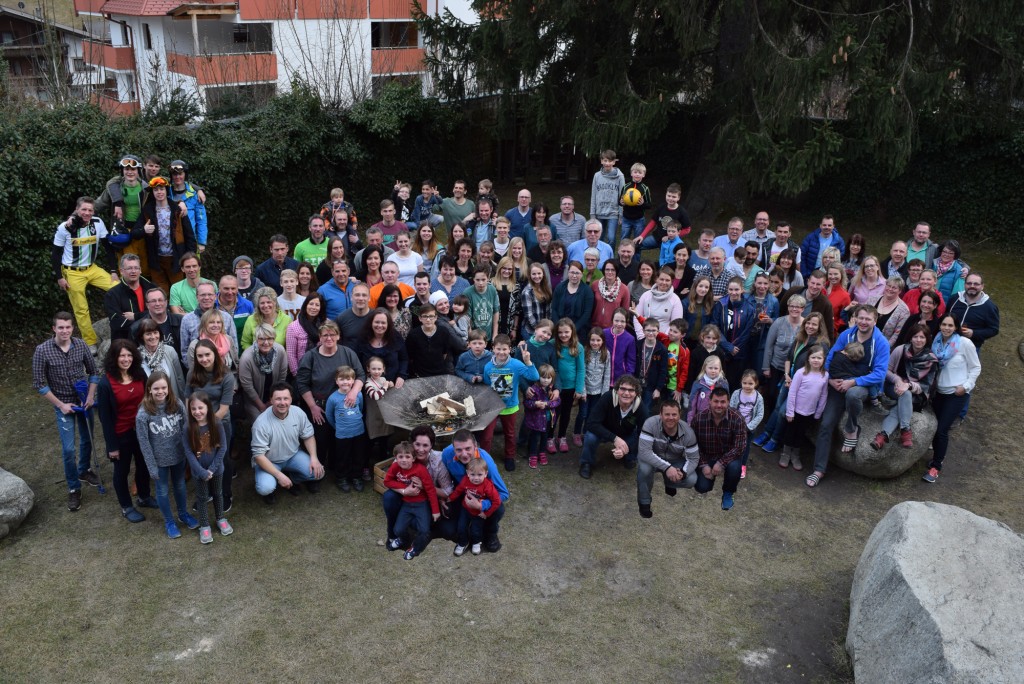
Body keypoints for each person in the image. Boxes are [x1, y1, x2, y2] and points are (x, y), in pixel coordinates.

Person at [806, 305, 889, 488]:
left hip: (862, 386)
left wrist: (854, 382)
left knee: (852, 394)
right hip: (838, 384)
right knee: (826, 424)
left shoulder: (881, 343)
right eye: (861, 318)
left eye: (868, 319)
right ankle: (819, 469)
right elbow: (830, 358)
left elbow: (880, 374)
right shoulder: (847, 335)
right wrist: (829, 379)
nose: (864, 322)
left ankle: (852, 428)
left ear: (875, 321)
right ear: (856, 318)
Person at [33, 312, 102, 511]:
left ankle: (84, 470)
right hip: (63, 404)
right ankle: (74, 488)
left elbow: (94, 373)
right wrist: (60, 405)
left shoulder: (80, 345)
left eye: (68, 327)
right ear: (54, 328)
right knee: (69, 448)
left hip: (83, 400)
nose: (65, 331)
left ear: (73, 328)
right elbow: (39, 384)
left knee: (88, 438)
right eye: (61, 327)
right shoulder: (42, 350)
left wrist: (90, 396)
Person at [296, 321, 364, 478]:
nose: (329, 338)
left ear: (338, 336)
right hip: (319, 406)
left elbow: (360, 374)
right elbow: (302, 383)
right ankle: (316, 473)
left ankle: (338, 469)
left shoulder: (347, 353)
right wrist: (312, 406)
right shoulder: (310, 356)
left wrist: (353, 392)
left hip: (344, 404)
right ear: (319, 337)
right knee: (320, 440)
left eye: (332, 334)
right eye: (325, 335)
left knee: (339, 439)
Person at [52, 197, 119, 353]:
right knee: (81, 309)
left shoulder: (97, 223)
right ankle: (90, 342)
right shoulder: (65, 227)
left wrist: (114, 271)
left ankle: (125, 325)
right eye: (84, 209)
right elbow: (55, 254)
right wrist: (59, 277)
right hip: (72, 272)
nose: (87, 213)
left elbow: (108, 248)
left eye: (90, 210)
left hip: (92, 268)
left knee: (120, 288)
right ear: (77, 209)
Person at [136, 371, 199, 538]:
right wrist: (151, 467)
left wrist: (191, 452)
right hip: (159, 461)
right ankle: (169, 521)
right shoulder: (143, 414)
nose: (160, 391)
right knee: (162, 491)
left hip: (179, 456)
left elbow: (187, 428)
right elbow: (144, 443)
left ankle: (183, 513)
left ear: (168, 388)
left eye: (164, 387)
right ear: (149, 389)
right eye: (156, 388)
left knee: (179, 485)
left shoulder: (177, 404)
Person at [96, 339, 152, 522]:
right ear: (114, 357)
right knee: (122, 470)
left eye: (129, 355)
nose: (126, 359)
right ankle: (126, 506)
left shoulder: (140, 374)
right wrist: (112, 446)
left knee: (144, 465)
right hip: (120, 434)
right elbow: (104, 417)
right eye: (122, 355)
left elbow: (148, 400)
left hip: (141, 430)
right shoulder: (105, 384)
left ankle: (144, 496)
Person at [923, 315, 981, 483]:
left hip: (956, 394)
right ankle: (936, 458)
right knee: (935, 428)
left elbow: (976, 367)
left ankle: (936, 467)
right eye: (943, 324)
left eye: (950, 325)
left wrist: (966, 386)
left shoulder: (964, 344)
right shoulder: (935, 342)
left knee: (942, 430)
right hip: (938, 392)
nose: (946, 328)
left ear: (956, 327)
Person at [251, 383, 325, 503]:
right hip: (270, 461)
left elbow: (308, 436)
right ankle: (275, 481)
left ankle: (292, 479)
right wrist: (279, 475)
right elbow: (259, 456)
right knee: (265, 488)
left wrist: (314, 458)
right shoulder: (260, 424)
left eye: (286, 398)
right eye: (278, 399)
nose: (282, 402)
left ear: (291, 399)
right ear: (271, 400)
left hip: (293, 455)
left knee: (319, 473)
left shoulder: (298, 412)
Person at [185, 338, 237, 509]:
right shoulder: (192, 372)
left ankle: (225, 494)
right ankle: (205, 493)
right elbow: (188, 399)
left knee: (222, 459)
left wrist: (207, 426)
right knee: (202, 458)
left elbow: (224, 407)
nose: (204, 359)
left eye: (207, 354)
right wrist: (194, 423)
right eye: (200, 356)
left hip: (219, 424)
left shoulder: (227, 376)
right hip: (196, 425)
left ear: (215, 354)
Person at [440, 430, 510, 552]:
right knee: (449, 520)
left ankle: (490, 533)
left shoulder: (487, 463)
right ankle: (465, 533)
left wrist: (482, 504)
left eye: (468, 449)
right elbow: (445, 478)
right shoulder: (446, 454)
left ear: (475, 446)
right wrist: (442, 497)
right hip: (461, 491)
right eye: (459, 450)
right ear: (453, 448)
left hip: (482, 496)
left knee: (498, 509)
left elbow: (504, 493)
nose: (464, 454)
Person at [873, 325, 938, 450]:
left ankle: (883, 435)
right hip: (893, 387)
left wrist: (908, 385)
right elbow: (886, 370)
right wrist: (897, 380)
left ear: (927, 339)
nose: (918, 340)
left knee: (903, 399)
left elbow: (926, 385)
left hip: (916, 393)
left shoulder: (931, 359)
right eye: (915, 336)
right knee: (905, 394)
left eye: (922, 337)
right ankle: (905, 430)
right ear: (911, 338)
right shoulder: (900, 350)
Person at [480, 335, 540, 471]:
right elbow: (487, 385)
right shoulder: (488, 367)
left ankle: (509, 457)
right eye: (498, 349)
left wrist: (528, 361)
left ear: (510, 349)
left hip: (510, 407)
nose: (501, 352)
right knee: (487, 436)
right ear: (493, 349)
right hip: (493, 407)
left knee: (510, 434)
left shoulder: (516, 365)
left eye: (505, 349)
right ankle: (484, 460)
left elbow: (534, 377)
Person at [182, 391, 232, 544]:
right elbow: (188, 452)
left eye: (200, 408)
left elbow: (222, 448)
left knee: (218, 493)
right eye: (193, 409)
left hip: (216, 470)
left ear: (208, 408)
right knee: (202, 498)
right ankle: (204, 525)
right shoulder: (188, 428)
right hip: (199, 473)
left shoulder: (216, 424)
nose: (197, 412)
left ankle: (220, 518)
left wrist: (211, 469)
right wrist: (201, 472)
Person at [635, 399, 698, 518]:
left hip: (674, 459)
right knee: (644, 470)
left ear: (680, 415)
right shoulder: (650, 423)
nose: (670, 417)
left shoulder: (689, 432)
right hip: (651, 458)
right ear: (660, 414)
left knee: (692, 479)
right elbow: (644, 452)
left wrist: (683, 473)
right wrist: (667, 467)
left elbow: (694, 458)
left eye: (674, 414)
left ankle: (670, 483)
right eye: (667, 414)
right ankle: (644, 502)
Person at [578, 374, 649, 479]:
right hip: (604, 431)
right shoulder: (607, 397)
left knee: (637, 438)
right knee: (590, 436)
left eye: (631, 390)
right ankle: (586, 463)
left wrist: (626, 448)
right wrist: (614, 439)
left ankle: (630, 456)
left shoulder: (641, 408)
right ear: (616, 390)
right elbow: (591, 423)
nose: (626, 393)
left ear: (636, 393)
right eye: (623, 389)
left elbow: (643, 434)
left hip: (626, 434)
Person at [137, 178, 198, 296]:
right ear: (152, 193)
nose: (159, 192)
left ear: (166, 190)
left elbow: (189, 236)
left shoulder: (178, 209)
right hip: (156, 259)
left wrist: (191, 257)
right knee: (160, 294)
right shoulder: (147, 210)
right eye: (156, 190)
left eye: (161, 189)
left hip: (176, 259)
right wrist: (143, 230)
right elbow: (135, 232)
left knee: (180, 292)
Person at [383, 442, 440, 560]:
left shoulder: (421, 470)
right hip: (407, 503)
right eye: (400, 457)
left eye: (407, 457)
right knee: (397, 529)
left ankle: (415, 549)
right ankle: (403, 540)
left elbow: (430, 490)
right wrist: (404, 489)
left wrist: (435, 510)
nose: (404, 460)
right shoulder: (395, 467)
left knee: (424, 530)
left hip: (421, 504)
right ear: (396, 458)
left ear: (413, 458)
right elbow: (387, 481)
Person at [691, 387, 745, 510]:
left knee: (735, 468)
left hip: (729, 456)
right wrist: (704, 465)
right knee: (702, 487)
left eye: (723, 402)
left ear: (728, 402)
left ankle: (728, 493)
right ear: (709, 401)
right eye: (716, 401)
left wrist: (721, 463)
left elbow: (740, 446)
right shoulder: (698, 419)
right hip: (708, 455)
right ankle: (709, 476)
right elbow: (693, 445)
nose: (719, 405)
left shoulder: (737, 418)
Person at [780, 345, 828, 471]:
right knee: (790, 432)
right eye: (813, 357)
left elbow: (823, 395)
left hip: (809, 412)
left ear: (824, 359)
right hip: (795, 411)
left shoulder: (825, 375)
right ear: (808, 359)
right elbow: (792, 392)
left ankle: (795, 455)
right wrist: (790, 412)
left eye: (819, 358)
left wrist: (818, 413)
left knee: (801, 434)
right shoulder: (800, 373)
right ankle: (785, 453)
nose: (816, 360)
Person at [324, 366, 367, 491]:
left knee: (358, 456)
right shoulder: (333, 398)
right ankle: (341, 478)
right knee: (342, 457)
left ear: (353, 380)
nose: (345, 382)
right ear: (336, 381)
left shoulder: (358, 395)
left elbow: (361, 408)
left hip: (359, 432)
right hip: (342, 434)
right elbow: (329, 415)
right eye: (341, 379)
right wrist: (338, 427)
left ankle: (357, 477)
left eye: (348, 379)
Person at [712, 277, 757, 390]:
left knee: (734, 381)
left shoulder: (749, 308)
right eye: (731, 289)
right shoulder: (721, 305)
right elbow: (715, 326)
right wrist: (727, 346)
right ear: (727, 289)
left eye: (736, 289)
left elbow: (747, 332)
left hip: (739, 352)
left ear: (742, 290)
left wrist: (734, 348)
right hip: (721, 349)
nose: (733, 293)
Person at [238, 324, 288, 423]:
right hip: (254, 401)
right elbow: (247, 386)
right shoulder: (246, 358)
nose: (266, 343)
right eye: (262, 339)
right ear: (256, 340)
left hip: (274, 396)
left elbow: (282, 377)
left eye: (270, 339)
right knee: (260, 424)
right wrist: (261, 406)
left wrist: (272, 401)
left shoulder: (281, 351)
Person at [105, 254, 157, 341]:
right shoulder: (112, 295)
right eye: (129, 268)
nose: (133, 271)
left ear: (140, 270)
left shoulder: (152, 288)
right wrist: (149, 317)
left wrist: (136, 316)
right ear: (121, 271)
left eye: (136, 268)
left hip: (153, 338)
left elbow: (163, 312)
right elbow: (117, 324)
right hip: (126, 342)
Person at [406, 303, 466, 377]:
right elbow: (410, 357)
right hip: (419, 374)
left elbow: (445, 353)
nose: (428, 319)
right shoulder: (413, 334)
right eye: (425, 316)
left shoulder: (443, 332)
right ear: (420, 318)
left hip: (440, 372)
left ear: (436, 317)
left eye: (431, 316)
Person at [946, 272, 1000, 352]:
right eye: (969, 283)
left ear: (982, 286)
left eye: (976, 284)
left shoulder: (989, 307)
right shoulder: (954, 299)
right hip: (948, 342)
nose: (972, 286)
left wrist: (974, 333)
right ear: (965, 285)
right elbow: (945, 316)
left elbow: (993, 329)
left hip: (971, 348)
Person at [355, 308, 409, 387]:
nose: (380, 325)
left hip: (394, 385)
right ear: (371, 322)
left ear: (388, 324)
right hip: (370, 386)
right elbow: (357, 363)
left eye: (383, 323)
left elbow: (404, 359)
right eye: (377, 322)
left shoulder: (396, 337)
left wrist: (401, 375)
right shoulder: (363, 338)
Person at [136, 317, 187, 397]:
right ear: (141, 336)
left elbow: (179, 378)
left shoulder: (170, 351)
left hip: (171, 400)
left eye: (155, 332)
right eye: (148, 334)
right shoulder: (136, 356)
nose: (153, 337)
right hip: (149, 403)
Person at [778, 270, 835, 340]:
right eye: (812, 283)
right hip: (785, 333)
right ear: (808, 282)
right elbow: (780, 311)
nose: (814, 286)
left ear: (824, 285)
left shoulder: (826, 304)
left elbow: (829, 330)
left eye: (818, 284)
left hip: (807, 340)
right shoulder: (793, 291)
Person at [523, 365, 560, 469]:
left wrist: (547, 404)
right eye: (543, 377)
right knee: (534, 438)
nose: (546, 380)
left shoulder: (552, 389)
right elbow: (526, 402)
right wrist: (535, 404)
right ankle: (533, 455)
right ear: (538, 376)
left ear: (552, 378)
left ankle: (542, 452)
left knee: (545, 437)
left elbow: (557, 401)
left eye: (548, 378)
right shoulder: (534, 389)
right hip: (535, 421)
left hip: (548, 420)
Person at [168, 160, 209, 254]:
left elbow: (201, 220)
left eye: (180, 174)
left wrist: (202, 242)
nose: (177, 177)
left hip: (191, 239)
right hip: (171, 240)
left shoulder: (195, 195)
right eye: (174, 174)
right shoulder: (165, 193)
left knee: (192, 267)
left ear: (185, 174)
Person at [185, 307, 239, 373]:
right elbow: (194, 371)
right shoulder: (195, 345)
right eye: (211, 322)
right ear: (204, 324)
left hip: (230, 378)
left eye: (218, 322)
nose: (216, 325)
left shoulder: (228, 339)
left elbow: (236, 361)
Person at [285, 293, 326, 377]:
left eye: (317, 305)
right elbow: (291, 354)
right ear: (305, 305)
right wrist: (297, 375)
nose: (313, 307)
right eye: (311, 304)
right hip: (302, 372)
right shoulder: (293, 327)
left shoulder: (326, 324)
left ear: (321, 308)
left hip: (324, 370)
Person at [636, 318, 668, 407]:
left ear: (658, 331)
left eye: (654, 330)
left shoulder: (662, 349)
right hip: (636, 383)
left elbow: (663, 371)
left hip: (651, 386)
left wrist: (658, 389)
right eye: (648, 330)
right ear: (643, 331)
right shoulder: (637, 345)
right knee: (633, 408)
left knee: (646, 410)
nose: (651, 333)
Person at [591, 259, 631, 330]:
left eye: (613, 270)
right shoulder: (595, 285)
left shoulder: (624, 289)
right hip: (595, 327)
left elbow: (625, 312)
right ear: (604, 271)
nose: (610, 272)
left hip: (614, 329)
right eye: (607, 269)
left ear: (616, 271)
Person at [872, 276, 912, 347]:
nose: (890, 289)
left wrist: (885, 347)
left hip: (883, 346)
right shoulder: (872, 299)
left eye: (894, 288)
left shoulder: (904, 310)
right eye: (889, 286)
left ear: (900, 291)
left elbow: (897, 335)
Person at [687, 354, 729, 422]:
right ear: (705, 368)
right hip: (701, 418)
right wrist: (690, 422)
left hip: (718, 418)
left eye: (716, 368)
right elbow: (692, 404)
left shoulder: (723, 383)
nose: (713, 371)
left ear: (720, 369)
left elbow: (727, 403)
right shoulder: (698, 383)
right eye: (710, 368)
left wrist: (726, 420)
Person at [619, 162, 652, 241]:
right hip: (626, 218)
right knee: (624, 240)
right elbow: (620, 200)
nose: (637, 174)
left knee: (637, 242)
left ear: (643, 175)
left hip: (639, 220)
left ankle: (636, 253)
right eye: (635, 172)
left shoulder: (645, 188)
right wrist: (621, 202)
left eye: (640, 173)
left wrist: (642, 204)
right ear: (631, 173)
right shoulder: (626, 186)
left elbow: (649, 205)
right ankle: (622, 253)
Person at [519, 263, 553, 340]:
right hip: (531, 331)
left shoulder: (546, 288)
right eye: (534, 274)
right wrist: (539, 330)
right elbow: (529, 315)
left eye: (539, 273)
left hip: (545, 330)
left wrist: (547, 328)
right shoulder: (527, 292)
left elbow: (549, 310)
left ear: (543, 274)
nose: (537, 276)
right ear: (529, 275)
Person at [604, 308, 636, 387]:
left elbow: (631, 362)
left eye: (622, 321)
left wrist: (628, 379)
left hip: (620, 380)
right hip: (603, 378)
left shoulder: (630, 339)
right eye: (616, 320)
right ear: (612, 320)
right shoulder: (604, 333)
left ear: (626, 322)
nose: (619, 324)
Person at [216, 274, 254, 339]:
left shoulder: (247, 305)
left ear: (237, 289)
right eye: (226, 289)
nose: (230, 292)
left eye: (233, 288)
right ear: (219, 289)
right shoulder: (212, 305)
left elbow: (253, 329)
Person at [491, 258, 522, 340]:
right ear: (500, 268)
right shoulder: (491, 284)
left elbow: (517, 311)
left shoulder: (516, 287)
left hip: (509, 326)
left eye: (509, 269)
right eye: (504, 268)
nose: (507, 271)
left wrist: (514, 329)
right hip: (493, 325)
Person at [824, 264, 851, 335]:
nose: (833, 277)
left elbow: (845, 317)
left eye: (836, 274)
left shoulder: (845, 296)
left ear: (841, 275)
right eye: (830, 274)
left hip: (830, 332)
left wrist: (834, 327)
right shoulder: (820, 287)